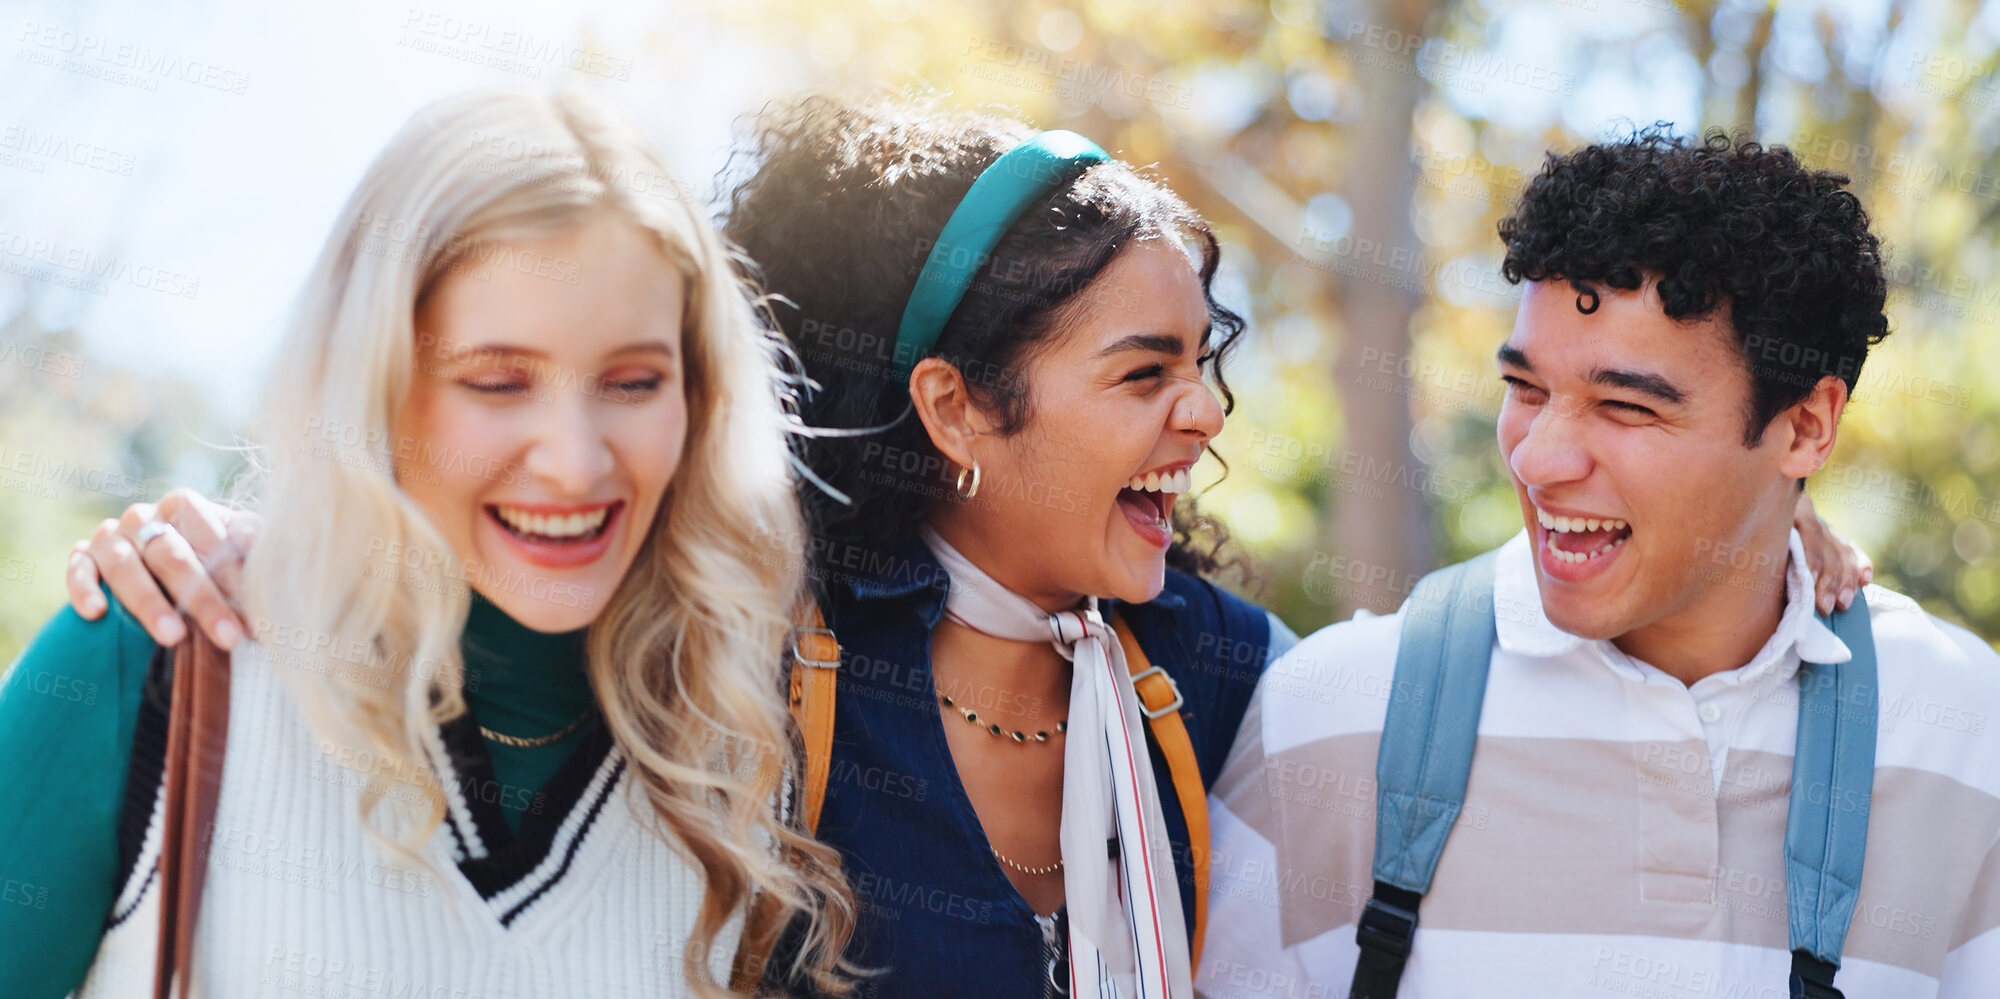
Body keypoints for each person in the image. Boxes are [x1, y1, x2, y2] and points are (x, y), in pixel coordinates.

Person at [58, 102, 1873, 998]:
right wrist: (233, 542)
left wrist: (1786, 529)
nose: (1207, 418)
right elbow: (510, 547)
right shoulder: (740, 641)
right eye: (1146, 369)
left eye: (1210, 363)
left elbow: (1539, 631)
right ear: (955, 404)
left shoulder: (1218, 674)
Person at [0, 88, 851, 998]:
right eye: (496, 381)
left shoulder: (740, 755)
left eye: (634, 381)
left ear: (700, 397)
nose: (573, 462)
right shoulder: (156, 657)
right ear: (376, 381)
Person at [1196, 130, 1999, 998]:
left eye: (1623, 407)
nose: (1538, 460)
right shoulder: (1333, 714)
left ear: (1805, 428)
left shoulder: (1959, 726)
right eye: (1526, 389)